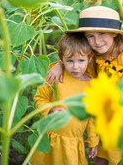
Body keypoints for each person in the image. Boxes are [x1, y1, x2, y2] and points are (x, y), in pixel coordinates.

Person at [46, 6, 123, 165]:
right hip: (105, 116)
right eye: (90, 36)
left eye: (102, 34)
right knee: (102, 156)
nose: (97, 41)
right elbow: (76, 64)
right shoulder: (93, 56)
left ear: (114, 33)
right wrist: (60, 65)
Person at [30, 32, 99, 165]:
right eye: (69, 61)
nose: (75, 66)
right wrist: (50, 109)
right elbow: (39, 98)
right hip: (50, 139)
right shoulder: (55, 76)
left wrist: (93, 141)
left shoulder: (92, 85)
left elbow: (92, 118)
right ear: (61, 59)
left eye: (81, 60)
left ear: (89, 59)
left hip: (73, 142)